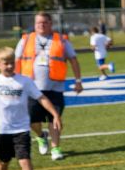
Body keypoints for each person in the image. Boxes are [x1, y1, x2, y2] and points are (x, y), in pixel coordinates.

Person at [15, 12, 83, 161]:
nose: (41, 25)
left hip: (55, 87)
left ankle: (56, 148)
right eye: (38, 22)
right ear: (34, 24)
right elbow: (17, 61)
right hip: (32, 88)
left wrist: (78, 80)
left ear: (51, 23)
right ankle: (41, 136)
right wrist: (14, 81)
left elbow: (73, 60)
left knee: (54, 118)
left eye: (45, 22)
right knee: (32, 120)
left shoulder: (62, 40)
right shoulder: (26, 40)